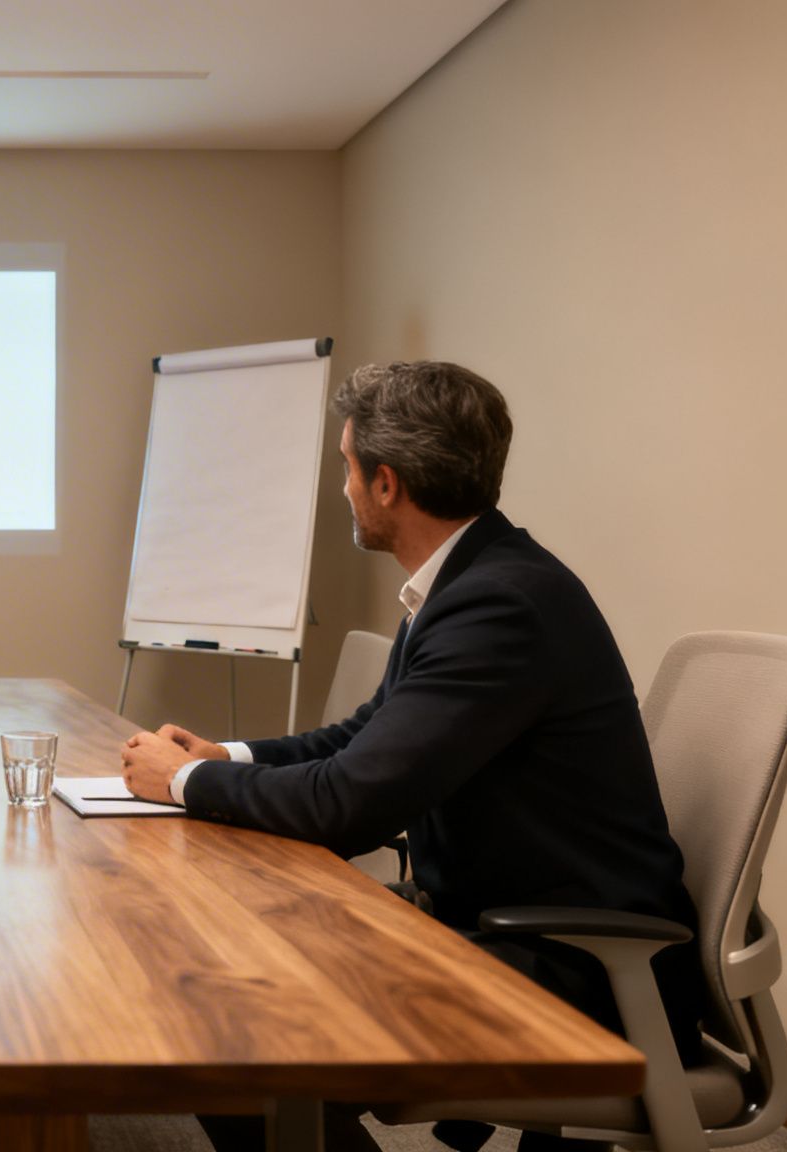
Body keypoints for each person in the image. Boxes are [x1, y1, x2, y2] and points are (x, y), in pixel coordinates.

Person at [120, 361, 701, 1152]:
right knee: (239, 967)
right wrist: (230, 753)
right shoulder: (475, 580)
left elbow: (350, 805)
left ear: (386, 484)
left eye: (346, 468)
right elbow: (365, 736)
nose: (345, 489)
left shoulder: (500, 604)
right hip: (508, 927)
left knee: (233, 1021)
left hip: (577, 970)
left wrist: (185, 780)